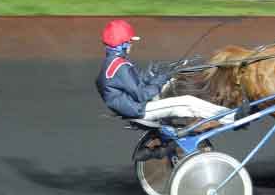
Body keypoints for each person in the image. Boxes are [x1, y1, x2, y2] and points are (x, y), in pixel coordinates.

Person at [95, 20, 234, 160]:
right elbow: (141, 94)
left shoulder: (114, 63)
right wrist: (161, 81)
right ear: (122, 45)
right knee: (187, 102)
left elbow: (137, 84)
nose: (131, 45)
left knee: (174, 86)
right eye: (129, 42)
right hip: (140, 109)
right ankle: (230, 116)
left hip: (135, 106)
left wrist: (160, 75)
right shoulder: (119, 66)